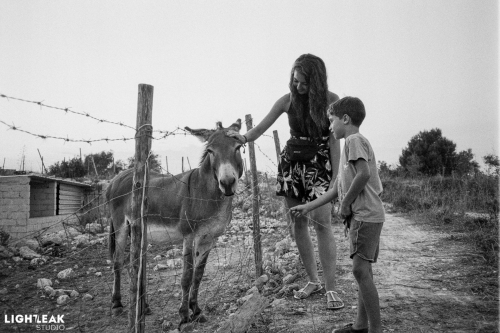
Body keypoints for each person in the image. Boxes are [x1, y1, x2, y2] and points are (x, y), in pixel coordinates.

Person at [227, 54, 344, 310]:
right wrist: (242, 138)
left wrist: (336, 177)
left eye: (304, 83)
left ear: (316, 82)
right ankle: (313, 281)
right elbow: (258, 129)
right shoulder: (287, 100)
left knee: (322, 224)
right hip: (292, 167)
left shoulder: (332, 102)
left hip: (319, 167)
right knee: (298, 223)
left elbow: (335, 141)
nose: (298, 87)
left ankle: (331, 287)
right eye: (295, 81)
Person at [290, 96, 385, 333]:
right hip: (363, 216)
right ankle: (360, 326)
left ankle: (376, 330)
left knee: (359, 271)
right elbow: (336, 190)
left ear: (345, 119)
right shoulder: (349, 147)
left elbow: (362, 174)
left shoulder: (353, 140)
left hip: (365, 216)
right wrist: (308, 206)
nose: (329, 126)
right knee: (365, 271)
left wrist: (346, 204)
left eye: (331, 121)